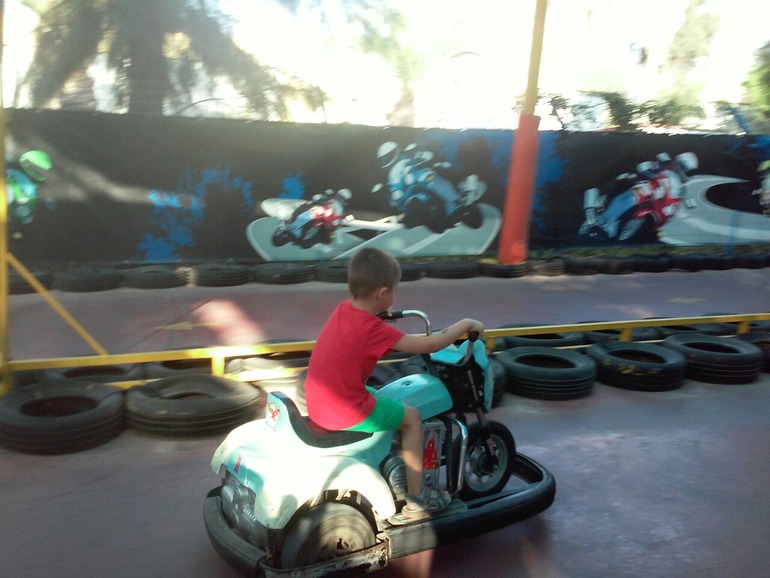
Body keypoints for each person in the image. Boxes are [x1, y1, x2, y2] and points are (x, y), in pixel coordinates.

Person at [304, 247, 485, 518]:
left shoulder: (344, 309)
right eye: (393, 290)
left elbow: (364, 328)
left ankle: (391, 460)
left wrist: (381, 310)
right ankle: (418, 498)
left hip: (320, 402)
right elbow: (430, 344)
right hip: (343, 410)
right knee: (411, 417)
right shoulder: (373, 330)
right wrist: (466, 324)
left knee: (382, 395)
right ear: (382, 293)